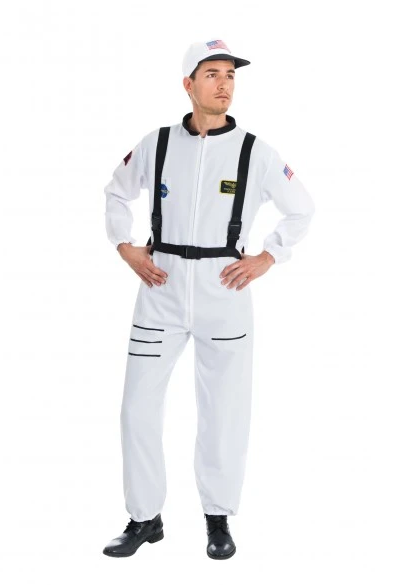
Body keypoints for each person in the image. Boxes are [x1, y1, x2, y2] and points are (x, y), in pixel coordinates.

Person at [102, 38, 315, 560]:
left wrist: (268, 257)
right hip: (161, 287)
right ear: (188, 84)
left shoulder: (254, 151)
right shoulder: (156, 144)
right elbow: (116, 192)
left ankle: (217, 518)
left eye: (231, 75)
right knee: (137, 408)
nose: (225, 84)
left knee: (224, 408)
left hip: (224, 290)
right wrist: (125, 247)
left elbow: (302, 209)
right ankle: (144, 518)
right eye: (213, 74)